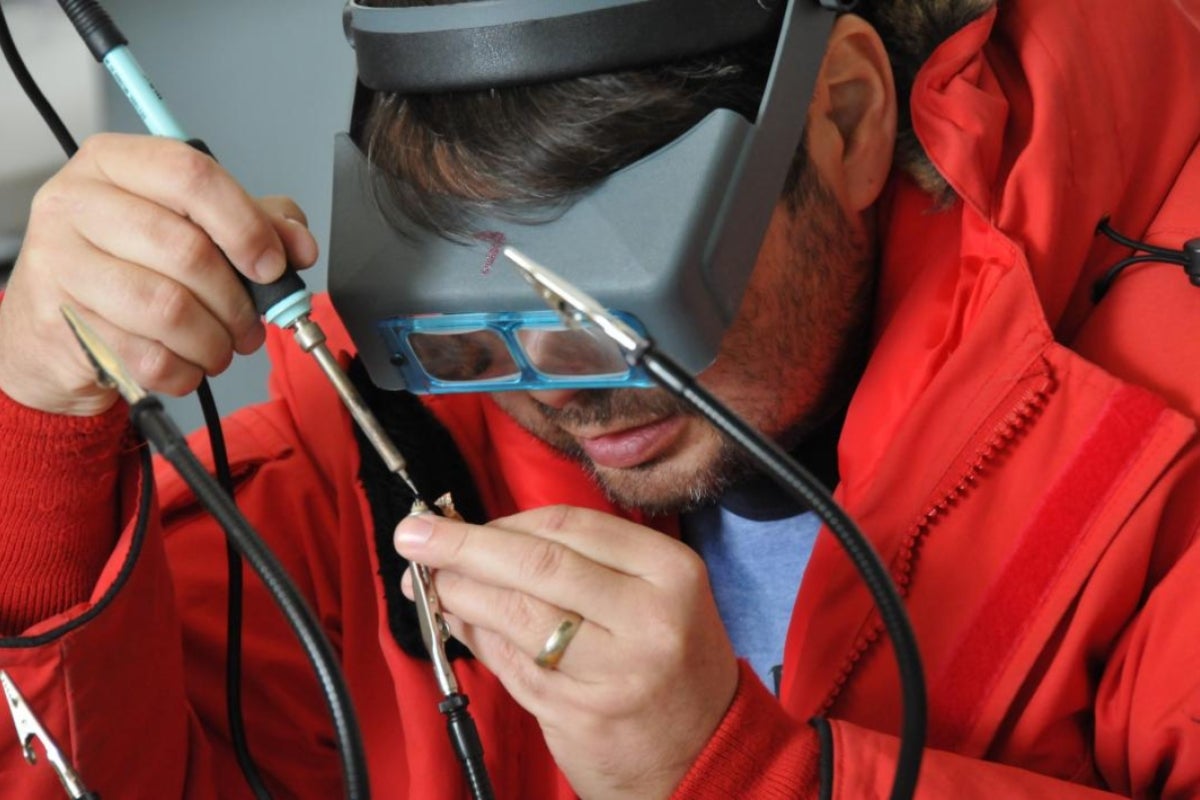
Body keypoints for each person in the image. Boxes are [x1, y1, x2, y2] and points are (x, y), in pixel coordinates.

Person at [2, 0, 1200, 797]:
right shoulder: (388, 421)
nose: (569, 398)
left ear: (839, 117)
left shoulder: (1157, 407)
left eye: (619, 314)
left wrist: (740, 775)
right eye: (484, 320)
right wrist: (35, 442)